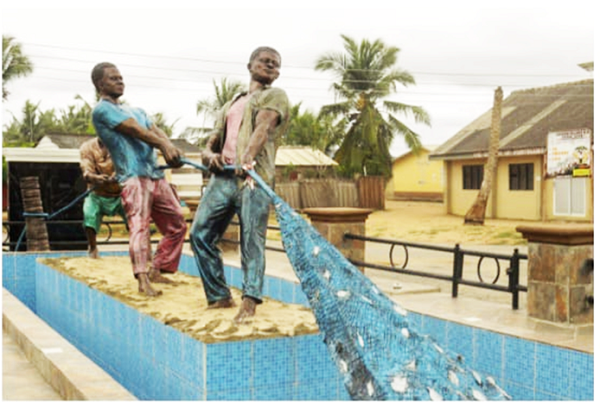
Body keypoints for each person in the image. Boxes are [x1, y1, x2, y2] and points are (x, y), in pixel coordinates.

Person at [190, 46, 290, 323]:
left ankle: (250, 300)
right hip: (223, 178)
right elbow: (212, 141)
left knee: (251, 239)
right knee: (200, 234)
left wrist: (247, 160)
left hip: (252, 178)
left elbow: (263, 127)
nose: (271, 66)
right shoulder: (231, 103)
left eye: (276, 64)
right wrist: (210, 156)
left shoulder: (275, 96)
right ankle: (219, 295)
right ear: (250, 65)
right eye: (265, 61)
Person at [90, 62, 187, 297]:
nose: (120, 81)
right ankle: (142, 279)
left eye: (121, 77)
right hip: (133, 178)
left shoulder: (139, 110)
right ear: (100, 84)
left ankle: (159, 268)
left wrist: (170, 146)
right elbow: (135, 130)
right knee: (139, 227)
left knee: (177, 224)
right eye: (113, 78)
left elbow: (155, 129)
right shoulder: (101, 110)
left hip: (154, 174)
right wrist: (163, 145)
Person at [79, 136, 129, 259]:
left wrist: (117, 175)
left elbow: (128, 166)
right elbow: (86, 170)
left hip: (120, 193)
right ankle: (93, 248)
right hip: (96, 194)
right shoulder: (87, 147)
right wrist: (95, 178)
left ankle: (139, 248)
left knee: (135, 216)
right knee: (89, 213)